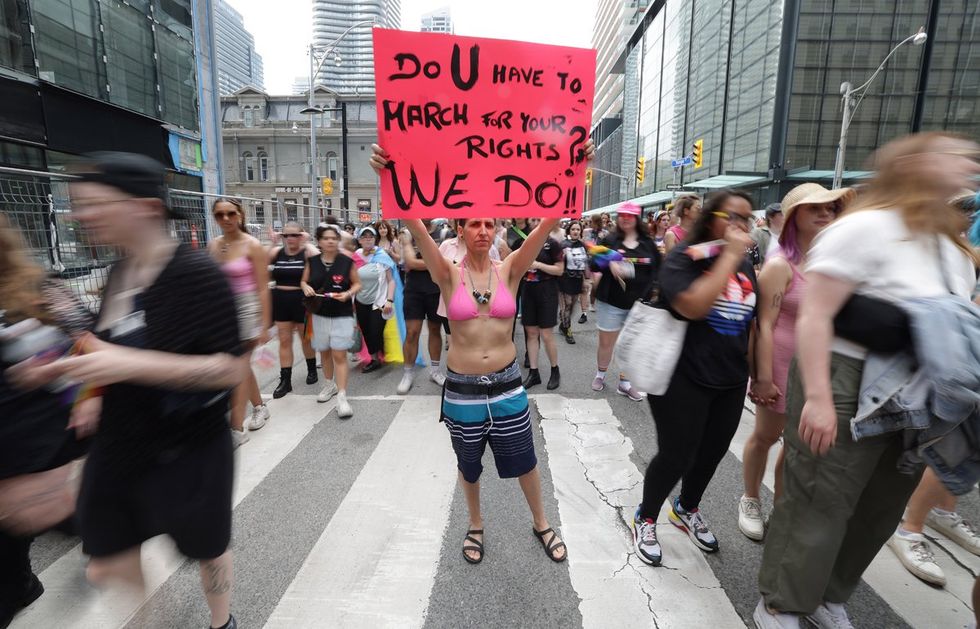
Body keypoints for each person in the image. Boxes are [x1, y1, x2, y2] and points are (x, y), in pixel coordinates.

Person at [754, 132, 980, 629]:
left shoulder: (954, 250)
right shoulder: (865, 228)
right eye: (954, 155)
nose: (969, 163)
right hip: (846, 378)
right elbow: (816, 315)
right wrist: (815, 397)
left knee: (881, 505)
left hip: (920, 390)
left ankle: (828, 597)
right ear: (916, 164)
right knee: (820, 496)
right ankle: (782, 603)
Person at [27, 152, 246, 629]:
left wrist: (126, 363)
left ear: (144, 207)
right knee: (105, 557)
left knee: (207, 547)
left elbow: (229, 370)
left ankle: (222, 621)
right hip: (122, 447)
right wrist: (88, 390)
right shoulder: (119, 272)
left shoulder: (197, 275)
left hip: (189, 448)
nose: (79, 215)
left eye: (93, 203)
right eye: (77, 204)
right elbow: (106, 349)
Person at [370, 141, 596, 565]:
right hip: (463, 390)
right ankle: (475, 524)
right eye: (473, 224)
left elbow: (548, 223)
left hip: (508, 385)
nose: (481, 231)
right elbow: (414, 225)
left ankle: (541, 522)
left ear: (496, 231)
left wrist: (577, 170)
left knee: (526, 460)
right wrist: (388, 175)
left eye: (489, 224)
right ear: (461, 230)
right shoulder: (446, 274)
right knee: (468, 463)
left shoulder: (509, 269)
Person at [631, 188, 757, 569]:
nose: (739, 225)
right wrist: (731, 255)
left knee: (712, 453)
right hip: (682, 378)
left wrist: (760, 377)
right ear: (709, 218)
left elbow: (754, 322)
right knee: (677, 454)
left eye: (746, 219)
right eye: (730, 217)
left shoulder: (746, 266)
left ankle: (686, 507)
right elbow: (694, 305)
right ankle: (647, 516)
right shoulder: (684, 259)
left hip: (731, 380)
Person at [738, 183, 852, 541]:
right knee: (766, 435)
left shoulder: (836, 266)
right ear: (792, 218)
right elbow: (764, 325)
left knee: (797, 445)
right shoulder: (779, 266)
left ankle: (782, 507)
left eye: (831, 208)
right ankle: (751, 498)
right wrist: (764, 377)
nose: (824, 213)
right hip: (781, 365)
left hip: (819, 370)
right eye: (814, 208)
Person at [0, 215, 96, 628]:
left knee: (46, 515)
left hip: (37, 434)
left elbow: (91, 342)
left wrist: (62, 377)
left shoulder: (41, 289)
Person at [208, 199, 272, 448]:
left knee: (238, 366)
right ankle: (260, 407)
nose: (225, 219)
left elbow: (263, 289)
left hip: (248, 309)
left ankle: (236, 427)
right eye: (219, 215)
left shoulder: (253, 245)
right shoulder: (214, 245)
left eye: (230, 213)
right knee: (242, 367)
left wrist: (265, 325)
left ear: (240, 215)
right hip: (222, 309)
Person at [591, 202, 660, 400]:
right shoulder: (610, 240)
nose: (625, 219)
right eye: (622, 215)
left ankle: (625, 383)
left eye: (630, 216)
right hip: (611, 301)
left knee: (629, 345)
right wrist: (607, 263)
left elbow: (658, 270)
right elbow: (593, 264)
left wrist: (652, 293)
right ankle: (600, 375)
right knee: (606, 343)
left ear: (637, 219)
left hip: (638, 305)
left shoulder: (647, 244)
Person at [301, 224, 360, 418]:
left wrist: (348, 293)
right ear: (319, 241)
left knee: (339, 355)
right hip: (318, 312)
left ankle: (342, 397)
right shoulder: (312, 262)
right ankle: (329, 385)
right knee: (324, 352)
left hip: (342, 312)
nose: (330, 241)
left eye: (333, 238)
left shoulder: (346, 262)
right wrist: (306, 287)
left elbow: (357, 283)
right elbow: (303, 281)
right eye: (326, 238)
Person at [269, 222, 320, 398]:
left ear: (301, 236)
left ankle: (312, 369)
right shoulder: (277, 252)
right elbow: (262, 264)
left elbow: (321, 262)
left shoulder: (307, 252)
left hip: (302, 301)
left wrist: (306, 243)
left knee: (305, 339)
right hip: (281, 300)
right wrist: (272, 243)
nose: (290, 238)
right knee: (284, 341)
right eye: (286, 235)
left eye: (295, 235)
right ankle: (285, 381)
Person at [397, 220, 447, 393]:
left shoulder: (442, 231)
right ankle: (408, 373)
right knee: (412, 332)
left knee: (435, 330)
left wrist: (438, 262)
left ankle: (435, 370)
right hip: (413, 290)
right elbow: (411, 262)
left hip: (435, 289)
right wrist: (436, 262)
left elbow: (445, 261)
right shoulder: (408, 232)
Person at [521, 225, 564, 390]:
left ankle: (555, 370)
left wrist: (538, 265)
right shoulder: (526, 243)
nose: (535, 224)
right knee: (531, 333)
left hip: (547, 290)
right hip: (528, 290)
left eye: (538, 220)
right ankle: (534, 372)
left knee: (546, 334)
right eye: (532, 220)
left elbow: (559, 270)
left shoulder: (552, 244)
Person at [352, 226, 396, 372]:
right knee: (366, 331)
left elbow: (391, 280)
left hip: (379, 302)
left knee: (375, 331)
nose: (367, 239)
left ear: (375, 239)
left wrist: (389, 300)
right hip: (360, 301)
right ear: (359, 240)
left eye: (370, 236)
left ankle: (378, 350)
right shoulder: (356, 256)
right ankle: (374, 359)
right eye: (364, 236)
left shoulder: (381, 255)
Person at [558, 220, 589, 344]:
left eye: (578, 229)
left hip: (577, 280)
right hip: (565, 279)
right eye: (573, 229)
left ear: (580, 231)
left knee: (572, 307)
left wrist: (586, 280)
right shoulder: (563, 244)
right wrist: (563, 256)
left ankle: (563, 325)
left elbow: (586, 263)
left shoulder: (583, 245)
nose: (576, 231)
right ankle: (568, 331)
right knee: (568, 305)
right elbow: (557, 262)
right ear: (569, 231)